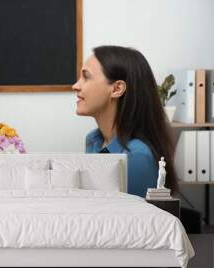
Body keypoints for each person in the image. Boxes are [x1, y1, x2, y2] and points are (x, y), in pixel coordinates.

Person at [72, 45, 178, 197]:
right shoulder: (93, 141)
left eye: (86, 77)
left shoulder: (136, 157)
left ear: (116, 89)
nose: (75, 86)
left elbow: (133, 219)